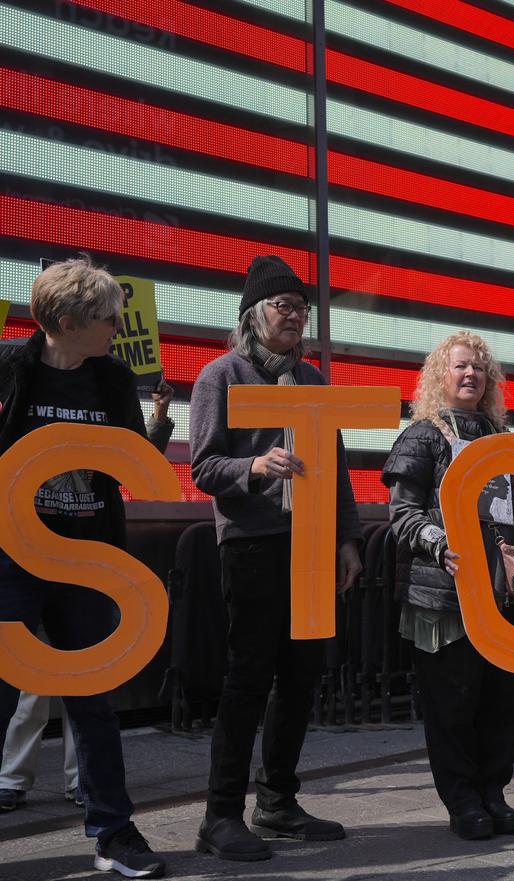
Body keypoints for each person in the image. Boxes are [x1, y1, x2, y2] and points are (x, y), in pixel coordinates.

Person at [189, 255, 362, 860]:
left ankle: (278, 803)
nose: (294, 317)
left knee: (300, 679)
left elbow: (337, 469)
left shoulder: (313, 381)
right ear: (252, 314)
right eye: (283, 306)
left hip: (313, 545)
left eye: (301, 309)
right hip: (253, 544)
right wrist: (255, 468)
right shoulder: (222, 376)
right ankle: (219, 815)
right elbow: (204, 468)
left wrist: (347, 539)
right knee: (247, 678)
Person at [0, 256, 165, 877]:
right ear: (67, 321)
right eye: (107, 319)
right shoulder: (10, 367)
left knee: (93, 695)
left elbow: (128, 464)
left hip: (87, 556)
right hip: (14, 552)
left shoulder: (113, 378)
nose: (116, 329)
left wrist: (153, 432)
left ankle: (114, 834)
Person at [381, 332, 514, 839]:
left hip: (503, 593)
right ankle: (464, 801)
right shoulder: (422, 435)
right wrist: (436, 541)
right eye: (460, 367)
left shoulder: (501, 436)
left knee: (503, 699)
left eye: (479, 368)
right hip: (442, 595)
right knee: (453, 703)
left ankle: (495, 793)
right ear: (439, 376)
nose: (471, 375)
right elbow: (401, 513)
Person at [0, 381, 174, 813]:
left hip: (84, 557)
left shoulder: (105, 391)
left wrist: (158, 418)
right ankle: (15, 777)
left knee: (84, 681)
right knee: (33, 681)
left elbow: (134, 459)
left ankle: (73, 781)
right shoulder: (24, 392)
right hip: (31, 553)